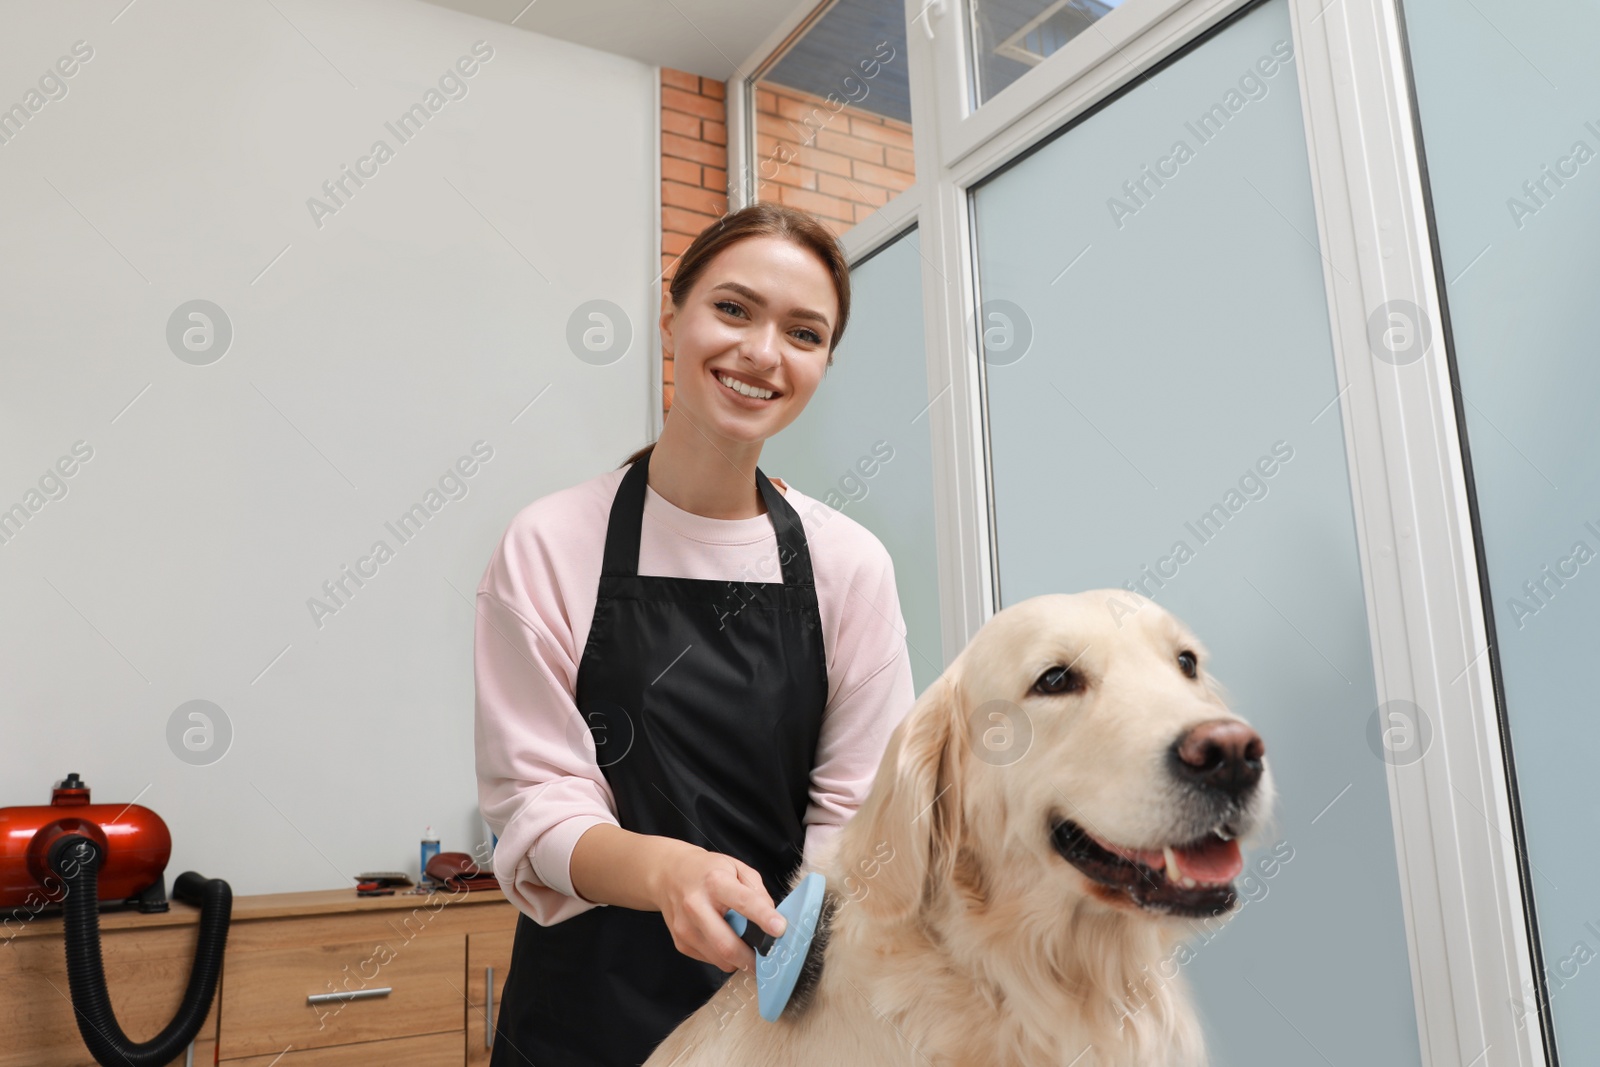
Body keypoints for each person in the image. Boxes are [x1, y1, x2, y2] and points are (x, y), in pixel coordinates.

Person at [473, 202, 917, 1067]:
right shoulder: (552, 542)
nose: (762, 353)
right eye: (734, 309)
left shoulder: (848, 565)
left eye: (804, 332)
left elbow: (855, 824)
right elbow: (537, 804)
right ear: (672, 313)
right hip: (580, 1020)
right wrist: (669, 873)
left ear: (825, 362)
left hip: (782, 1016)